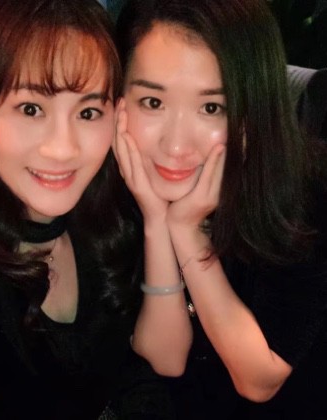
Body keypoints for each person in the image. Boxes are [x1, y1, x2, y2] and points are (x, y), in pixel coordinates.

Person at [0, 0, 174, 418]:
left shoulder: (107, 227)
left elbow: (139, 375)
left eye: (88, 112)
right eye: (31, 109)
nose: (63, 148)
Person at [114, 0, 327, 418]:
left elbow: (259, 379)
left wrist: (188, 235)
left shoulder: (307, 194)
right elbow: (166, 359)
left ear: (253, 112)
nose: (176, 146)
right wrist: (158, 223)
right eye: (152, 102)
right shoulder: (115, 191)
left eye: (212, 108)